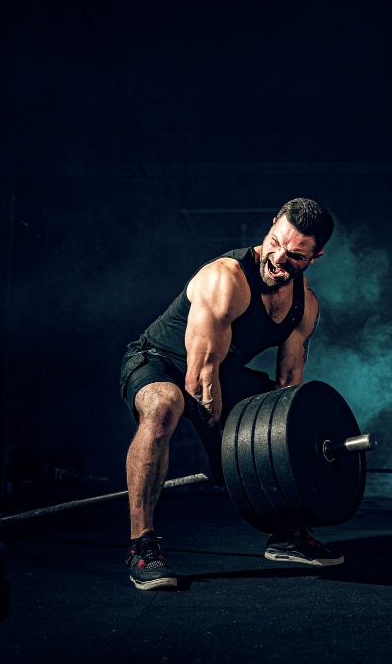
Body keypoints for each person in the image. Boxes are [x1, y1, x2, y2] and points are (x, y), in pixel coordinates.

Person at [118, 198, 343, 591]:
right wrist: (224, 455)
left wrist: (274, 448)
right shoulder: (226, 279)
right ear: (272, 224)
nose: (278, 259)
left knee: (283, 414)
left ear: (315, 256)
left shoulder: (305, 305)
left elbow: (289, 382)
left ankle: (286, 533)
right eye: (274, 242)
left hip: (226, 372)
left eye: (294, 255)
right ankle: (142, 546)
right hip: (160, 362)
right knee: (164, 406)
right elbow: (198, 381)